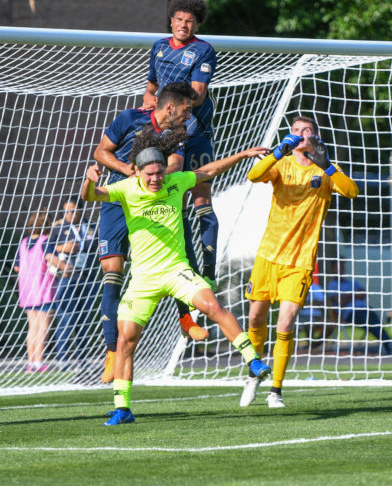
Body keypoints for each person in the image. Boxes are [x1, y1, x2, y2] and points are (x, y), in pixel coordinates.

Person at [81, 129, 272, 426]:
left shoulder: (175, 181)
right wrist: (89, 180)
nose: (156, 179)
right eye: (150, 174)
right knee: (126, 340)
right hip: (143, 279)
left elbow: (210, 170)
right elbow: (92, 196)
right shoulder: (126, 188)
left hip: (176, 270)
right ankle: (123, 408)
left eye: (159, 172)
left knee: (212, 305)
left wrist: (244, 154)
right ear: (138, 172)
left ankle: (253, 360)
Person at [240, 116, 359, 408]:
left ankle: (276, 391)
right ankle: (254, 375)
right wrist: (276, 152)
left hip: (301, 262)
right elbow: (253, 176)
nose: (299, 134)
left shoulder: (326, 168)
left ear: (315, 137)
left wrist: (327, 164)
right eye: (295, 130)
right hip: (268, 256)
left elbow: (352, 191)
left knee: (285, 323)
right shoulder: (281, 164)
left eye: (306, 130)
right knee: (255, 319)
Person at [94, 81, 208, 384]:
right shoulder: (130, 118)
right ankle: (111, 352)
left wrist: (150, 178)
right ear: (170, 107)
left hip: (155, 201)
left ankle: (186, 319)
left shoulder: (178, 134)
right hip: (118, 200)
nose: (189, 116)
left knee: (177, 258)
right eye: (186, 109)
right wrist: (127, 171)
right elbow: (101, 152)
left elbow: (176, 166)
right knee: (112, 272)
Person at [143, 0, 219, 289]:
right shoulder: (159, 47)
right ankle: (189, 266)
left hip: (196, 132)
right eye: (179, 19)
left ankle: (210, 270)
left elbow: (197, 95)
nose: (183, 25)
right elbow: (150, 86)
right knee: (176, 199)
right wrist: (151, 100)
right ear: (171, 20)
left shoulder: (203, 50)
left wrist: (168, 102)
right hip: (168, 134)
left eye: (189, 21)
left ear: (196, 24)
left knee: (201, 198)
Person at [14, 209, 64, 373]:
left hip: (27, 291)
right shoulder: (45, 241)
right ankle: (39, 362)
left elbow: (17, 267)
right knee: (43, 327)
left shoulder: (24, 242)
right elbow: (50, 258)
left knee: (32, 327)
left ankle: (31, 363)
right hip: (43, 290)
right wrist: (66, 268)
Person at [51, 197, 98, 369]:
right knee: (65, 318)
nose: (69, 214)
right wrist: (62, 248)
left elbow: (98, 249)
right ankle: (62, 360)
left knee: (83, 321)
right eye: (66, 211)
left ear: (80, 210)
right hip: (67, 278)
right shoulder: (58, 228)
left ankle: (82, 361)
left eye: (72, 211)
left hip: (88, 279)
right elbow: (47, 249)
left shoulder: (92, 227)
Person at [326, 259, 392, 356]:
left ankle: (389, 344)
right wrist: (355, 295)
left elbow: (363, 294)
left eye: (342, 266)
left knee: (375, 321)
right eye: (338, 267)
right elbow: (340, 301)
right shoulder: (332, 285)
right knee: (369, 322)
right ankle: (389, 344)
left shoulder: (352, 282)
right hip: (350, 313)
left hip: (365, 308)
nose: (341, 269)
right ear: (333, 269)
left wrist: (348, 295)